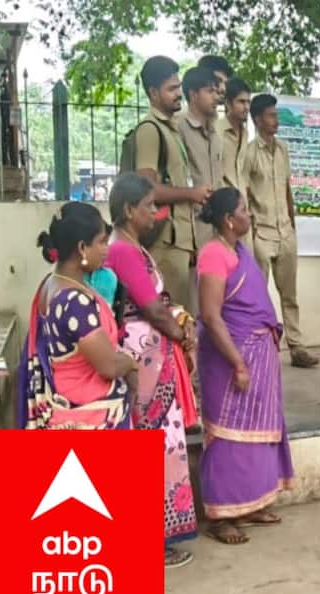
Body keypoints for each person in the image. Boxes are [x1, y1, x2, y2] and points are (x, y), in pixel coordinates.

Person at [104, 173, 199, 568]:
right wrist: (179, 331)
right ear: (128, 210)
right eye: (148, 208)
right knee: (153, 444)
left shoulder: (130, 248)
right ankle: (152, 539)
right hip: (145, 358)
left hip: (152, 354)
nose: (155, 215)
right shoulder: (124, 251)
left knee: (159, 442)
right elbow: (152, 307)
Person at [196, 187, 296, 545]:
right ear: (228, 219)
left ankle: (250, 504)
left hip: (257, 355)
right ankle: (221, 516)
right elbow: (210, 315)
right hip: (230, 359)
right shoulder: (212, 254)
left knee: (256, 435)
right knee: (227, 436)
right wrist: (238, 362)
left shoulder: (238, 251)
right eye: (243, 210)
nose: (249, 215)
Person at [19, 203, 136, 432]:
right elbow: (108, 366)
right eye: (102, 242)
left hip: (63, 408)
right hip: (89, 417)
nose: (107, 249)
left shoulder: (50, 284)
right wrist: (132, 363)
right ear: (82, 247)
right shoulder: (74, 301)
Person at [243, 93, 319, 369]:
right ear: (257, 119)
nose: (276, 121)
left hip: (285, 230)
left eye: (276, 115)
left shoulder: (283, 149)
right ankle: (259, 347)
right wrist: (249, 231)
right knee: (258, 294)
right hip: (261, 231)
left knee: (290, 294)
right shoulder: (249, 153)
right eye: (271, 115)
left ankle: (297, 347)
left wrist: (292, 221)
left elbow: (287, 187)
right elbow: (246, 193)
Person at [135, 56, 212, 313]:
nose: (179, 94)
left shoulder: (171, 129)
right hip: (164, 244)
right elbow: (146, 188)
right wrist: (192, 194)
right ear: (153, 93)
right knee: (172, 320)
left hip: (180, 242)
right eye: (171, 89)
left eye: (179, 87)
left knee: (184, 318)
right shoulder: (150, 130)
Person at [175, 66, 225, 279]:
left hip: (215, 229)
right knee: (192, 305)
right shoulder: (178, 128)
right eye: (210, 91)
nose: (216, 96)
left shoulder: (215, 133)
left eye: (216, 91)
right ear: (193, 95)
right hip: (190, 231)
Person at [218, 77, 251, 193]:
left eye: (248, 102)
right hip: (223, 203)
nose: (246, 107)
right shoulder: (216, 130)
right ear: (227, 103)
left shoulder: (246, 133)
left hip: (242, 203)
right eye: (241, 102)